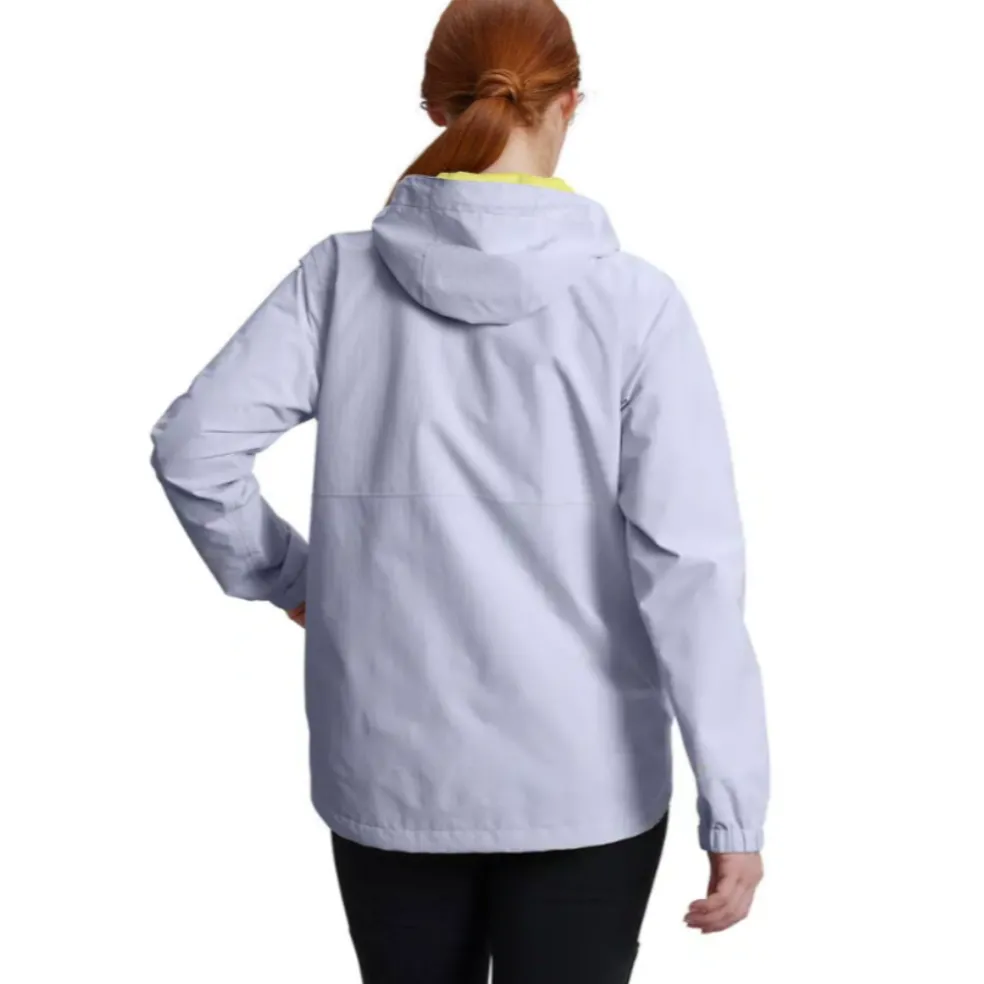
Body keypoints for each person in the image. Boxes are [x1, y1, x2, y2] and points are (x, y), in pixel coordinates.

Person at [149, 0, 770, 979]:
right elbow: (690, 571)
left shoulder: (339, 279)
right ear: (570, 102)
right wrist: (733, 806)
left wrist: (293, 580)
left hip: (388, 776)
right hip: (586, 782)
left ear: (436, 107)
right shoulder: (635, 304)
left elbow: (195, 449)